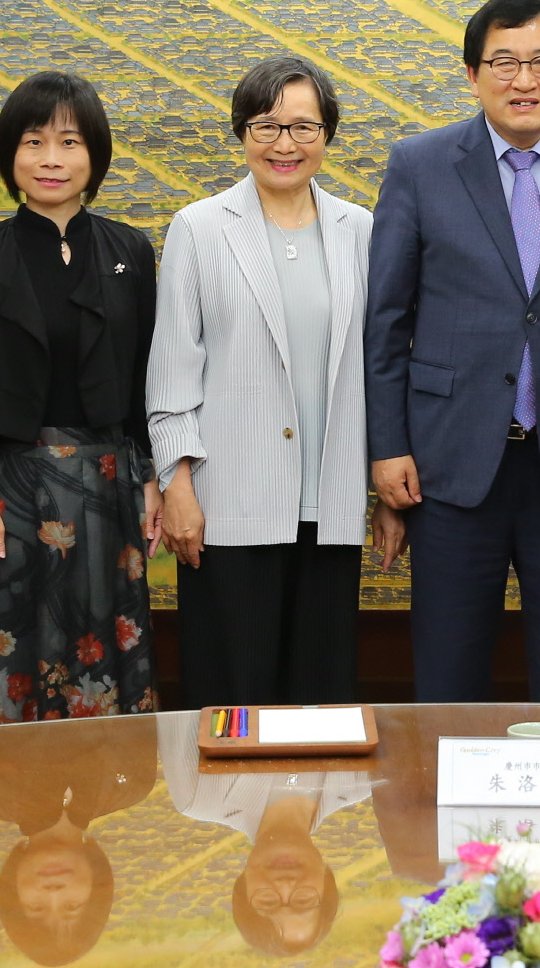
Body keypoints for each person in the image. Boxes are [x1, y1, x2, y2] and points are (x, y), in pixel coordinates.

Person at [364, 0, 540, 704]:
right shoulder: (419, 165)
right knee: (449, 671)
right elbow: (387, 321)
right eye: (504, 63)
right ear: (472, 74)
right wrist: (388, 446)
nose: (524, 80)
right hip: (449, 459)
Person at [0, 72, 160, 726]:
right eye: (33, 141)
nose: (51, 158)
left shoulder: (130, 251)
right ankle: (8, 786)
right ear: (10, 155)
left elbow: (145, 378)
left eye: (69, 142)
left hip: (106, 485)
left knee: (97, 647)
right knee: (7, 648)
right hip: (9, 490)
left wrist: (149, 480)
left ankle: (97, 787)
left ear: (95, 155)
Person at [150, 56, 371, 708]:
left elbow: (377, 367)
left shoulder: (360, 230)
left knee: (320, 707)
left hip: (330, 507)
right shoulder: (199, 228)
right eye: (266, 126)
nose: (285, 144)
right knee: (233, 703)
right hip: (227, 507)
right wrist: (177, 487)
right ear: (242, 131)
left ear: (327, 135)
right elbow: (171, 374)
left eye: (304, 127)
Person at [0, 716, 156, 966]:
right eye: (71, 906)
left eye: (36, 907)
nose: (53, 893)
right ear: (95, 890)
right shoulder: (133, 785)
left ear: (13, 890)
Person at [160, 712, 367, 955]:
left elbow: (181, 707)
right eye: (303, 901)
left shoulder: (198, 794)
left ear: (243, 885)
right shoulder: (361, 779)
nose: (285, 885)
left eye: (267, 901)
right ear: (327, 882)